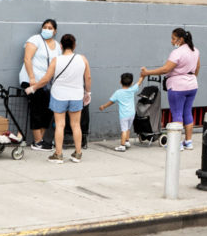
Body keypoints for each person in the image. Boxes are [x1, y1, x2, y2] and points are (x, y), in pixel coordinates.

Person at [28, 33, 91, 163]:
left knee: (60, 125)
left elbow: (46, 79)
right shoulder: (82, 59)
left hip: (59, 95)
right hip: (76, 95)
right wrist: (88, 93)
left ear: (61, 45)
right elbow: (88, 78)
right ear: (74, 45)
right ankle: (78, 153)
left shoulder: (56, 60)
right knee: (76, 125)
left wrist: (33, 88)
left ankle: (58, 154)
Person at [142, 28, 200, 151]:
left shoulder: (177, 53)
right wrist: (191, 79)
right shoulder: (195, 50)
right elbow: (197, 67)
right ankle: (188, 142)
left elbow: (165, 69)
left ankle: (177, 143)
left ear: (181, 39)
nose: (172, 41)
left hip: (177, 86)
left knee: (177, 113)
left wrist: (147, 72)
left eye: (173, 38)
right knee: (187, 112)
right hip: (192, 85)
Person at [19, 18, 61, 151]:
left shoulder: (57, 45)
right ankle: (37, 142)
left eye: (50, 28)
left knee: (47, 111)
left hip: (47, 83)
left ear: (55, 31)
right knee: (37, 109)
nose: (47, 30)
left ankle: (41, 140)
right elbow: (27, 58)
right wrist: (32, 78)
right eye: (45, 27)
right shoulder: (35, 40)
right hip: (32, 81)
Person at [99, 71, 146, 151]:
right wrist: (143, 75)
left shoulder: (118, 93)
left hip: (124, 115)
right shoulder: (132, 89)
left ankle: (122, 145)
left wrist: (104, 106)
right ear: (131, 83)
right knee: (127, 128)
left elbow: (111, 102)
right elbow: (139, 82)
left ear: (120, 82)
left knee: (124, 130)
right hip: (132, 114)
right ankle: (127, 141)